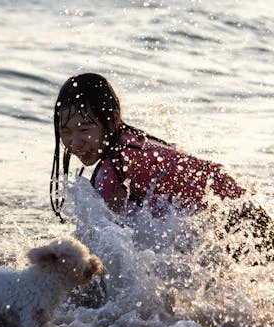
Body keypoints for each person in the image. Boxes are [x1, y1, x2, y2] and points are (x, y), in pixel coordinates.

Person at [49, 72, 274, 259]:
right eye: (65, 131)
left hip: (232, 218)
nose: (75, 142)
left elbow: (109, 245)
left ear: (112, 119)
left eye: (85, 130)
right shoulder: (132, 143)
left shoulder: (114, 169)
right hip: (238, 204)